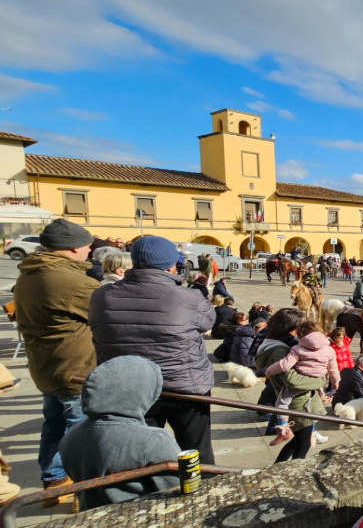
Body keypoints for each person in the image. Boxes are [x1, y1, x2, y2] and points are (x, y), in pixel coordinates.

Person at [90, 236, 217, 464]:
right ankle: (203, 492)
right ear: (171, 265)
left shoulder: (101, 295)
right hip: (185, 387)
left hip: (130, 388)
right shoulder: (189, 297)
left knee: (141, 454)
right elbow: (208, 323)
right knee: (196, 450)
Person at [13, 218, 100, 502]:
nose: (90, 250)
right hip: (74, 367)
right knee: (82, 429)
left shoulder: (30, 272)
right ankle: (83, 491)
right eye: (88, 245)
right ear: (73, 248)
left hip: (45, 365)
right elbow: (106, 314)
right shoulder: (71, 281)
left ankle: (54, 481)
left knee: (53, 424)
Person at [59, 356, 181, 511]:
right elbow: (179, 488)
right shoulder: (153, 442)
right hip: (142, 518)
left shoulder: (71, 436)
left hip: (90, 514)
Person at [262, 321, 341, 448]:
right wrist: (336, 381)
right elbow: (333, 368)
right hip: (317, 381)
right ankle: (311, 433)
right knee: (313, 403)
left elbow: (284, 365)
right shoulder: (329, 350)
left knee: (281, 403)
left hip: (301, 382)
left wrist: (268, 371)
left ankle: (283, 429)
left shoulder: (298, 349)